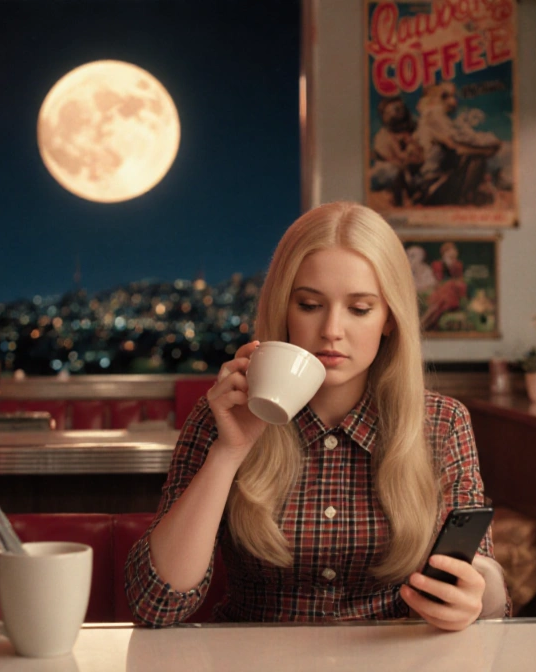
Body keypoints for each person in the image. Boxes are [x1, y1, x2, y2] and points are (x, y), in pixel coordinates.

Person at [126, 202, 509, 630]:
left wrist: (479, 593)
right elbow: (155, 604)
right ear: (283, 311)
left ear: (389, 319)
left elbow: (485, 579)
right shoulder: (224, 413)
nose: (331, 329)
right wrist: (228, 452)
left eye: (360, 309)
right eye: (309, 305)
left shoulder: (441, 421)